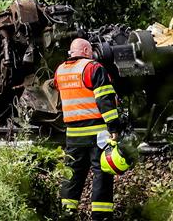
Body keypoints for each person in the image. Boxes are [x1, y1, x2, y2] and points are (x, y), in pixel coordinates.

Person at [54, 38, 120, 220]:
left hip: (73, 134)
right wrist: (113, 127)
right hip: (97, 132)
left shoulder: (60, 71)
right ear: (85, 50)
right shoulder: (92, 67)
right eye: (91, 51)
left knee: (72, 173)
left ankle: (66, 213)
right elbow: (104, 100)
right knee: (102, 172)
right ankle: (101, 215)